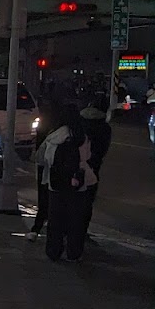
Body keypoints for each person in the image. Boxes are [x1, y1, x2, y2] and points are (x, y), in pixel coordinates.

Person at [41, 102, 97, 262]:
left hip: (56, 183)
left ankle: (54, 251)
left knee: (55, 220)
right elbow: (87, 156)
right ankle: (74, 252)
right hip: (78, 182)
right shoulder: (81, 135)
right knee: (75, 220)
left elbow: (47, 158)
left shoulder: (54, 136)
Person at [79, 93, 112, 229]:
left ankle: (70, 230)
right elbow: (103, 149)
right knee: (87, 200)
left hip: (75, 163)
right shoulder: (104, 127)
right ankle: (82, 230)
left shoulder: (79, 121)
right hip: (93, 165)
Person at [27, 98, 57, 241]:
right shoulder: (72, 132)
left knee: (44, 200)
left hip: (46, 169)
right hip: (63, 175)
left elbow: (40, 155)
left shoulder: (49, 131)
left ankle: (37, 229)